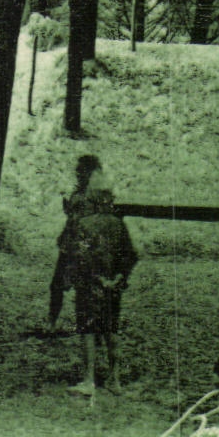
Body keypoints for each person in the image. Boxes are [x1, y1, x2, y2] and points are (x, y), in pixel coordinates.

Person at [63, 168, 138, 396]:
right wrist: (118, 277)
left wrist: (92, 278)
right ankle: (115, 379)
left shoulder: (83, 225)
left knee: (88, 330)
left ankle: (89, 380)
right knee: (111, 329)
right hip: (113, 287)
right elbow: (130, 255)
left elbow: (80, 257)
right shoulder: (118, 225)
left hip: (90, 286)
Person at [48, 155, 111, 331]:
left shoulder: (99, 195)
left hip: (86, 247)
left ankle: (92, 326)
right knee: (57, 284)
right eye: (77, 171)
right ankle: (52, 323)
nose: (77, 174)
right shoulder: (78, 193)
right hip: (70, 245)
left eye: (81, 170)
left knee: (86, 288)